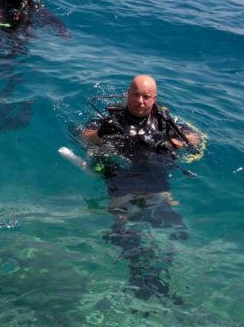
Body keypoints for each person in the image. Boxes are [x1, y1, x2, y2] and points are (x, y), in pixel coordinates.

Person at [73, 75, 202, 302]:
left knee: (172, 226)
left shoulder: (164, 120)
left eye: (146, 96)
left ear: (154, 98)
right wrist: (102, 133)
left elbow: (194, 139)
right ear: (127, 94)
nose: (140, 101)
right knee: (123, 225)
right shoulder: (111, 117)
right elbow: (84, 136)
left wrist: (177, 142)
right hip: (122, 175)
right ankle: (136, 274)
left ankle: (163, 277)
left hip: (154, 177)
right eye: (136, 95)